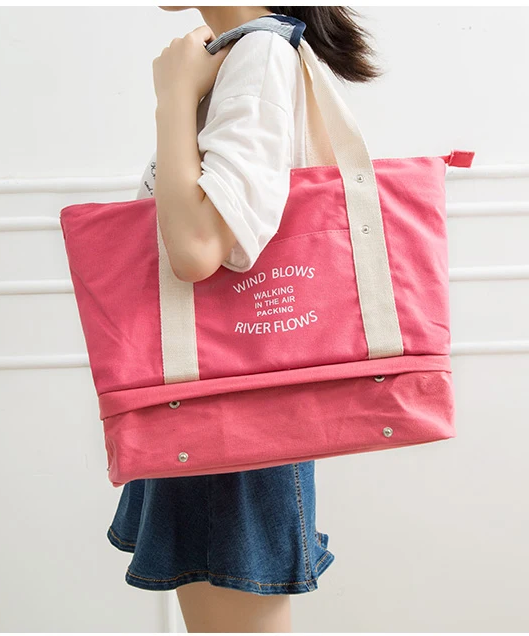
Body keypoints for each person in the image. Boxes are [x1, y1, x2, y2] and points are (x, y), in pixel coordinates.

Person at [107, 6, 383, 632]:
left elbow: (197, 250)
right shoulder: (238, 54)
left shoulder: (259, 56)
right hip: (210, 395)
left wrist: (174, 97)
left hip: (227, 408)